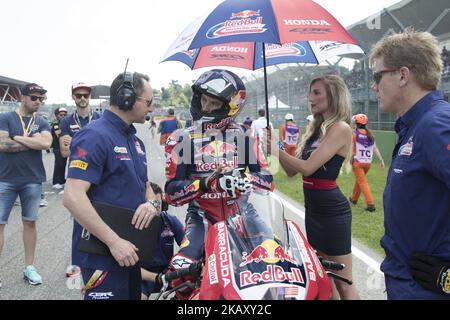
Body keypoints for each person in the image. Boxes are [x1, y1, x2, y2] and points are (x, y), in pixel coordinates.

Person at [164, 69, 274, 299]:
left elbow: (268, 180)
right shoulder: (182, 138)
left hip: (243, 215)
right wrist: (205, 184)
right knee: (181, 273)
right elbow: (171, 194)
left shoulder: (244, 137)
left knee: (277, 261)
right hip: (201, 217)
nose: (205, 108)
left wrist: (245, 180)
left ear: (230, 107)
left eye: (213, 103)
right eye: (203, 100)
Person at [63, 72, 159, 300]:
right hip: (103, 255)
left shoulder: (135, 141)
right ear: (127, 99)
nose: (152, 108)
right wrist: (114, 242)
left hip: (130, 252)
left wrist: (152, 204)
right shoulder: (94, 136)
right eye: (149, 102)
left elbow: (146, 186)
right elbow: (72, 197)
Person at [369, 30, 450, 299]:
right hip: (407, 282)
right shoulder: (414, 125)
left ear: (403, 75)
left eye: (377, 76)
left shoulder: (435, 125)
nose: (373, 86)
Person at [272, 75, 360, 300]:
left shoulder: (340, 128)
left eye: (317, 92)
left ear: (334, 95)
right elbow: (293, 170)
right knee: (323, 277)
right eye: (310, 93)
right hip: (314, 210)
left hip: (332, 212)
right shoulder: (314, 129)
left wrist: (276, 149)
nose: (310, 98)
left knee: (344, 282)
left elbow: (308, 168)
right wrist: (277, 145)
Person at [0, 83, 52, 287]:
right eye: (34, 98)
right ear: (23, 97)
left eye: (41, 99)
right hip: (5, 179)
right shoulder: (5, 118)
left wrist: (16, 138)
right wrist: (31, 141)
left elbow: (46, 144)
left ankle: (29, 267)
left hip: (32, 179)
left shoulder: (42, 121)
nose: (38, 101)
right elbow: (2, 145)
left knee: (30, 223)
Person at [140, 182, 184, 300]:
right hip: (143, 276)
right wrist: (158, 277)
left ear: (163, 205)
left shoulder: (170, 221)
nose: (153, 209)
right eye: (151, 204)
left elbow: (188, 245)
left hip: (168, 272)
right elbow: (128, 269)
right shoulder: (132, 224)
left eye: (157, 205)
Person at [348, 114, 385, 212]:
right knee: (360, 180)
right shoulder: (370, 135)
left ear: (356, 123)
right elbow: (375, 148)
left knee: (362, 182)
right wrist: (381, 160)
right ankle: (354, 199)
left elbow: (351, 148)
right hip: (368, 164)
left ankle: (370, 204)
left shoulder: (354, 134)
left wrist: (348, 159)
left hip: (358, 162)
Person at [59, 82, 101, 158]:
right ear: (73, 97)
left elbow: (105, 147)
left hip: (97, 167)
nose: (82, 98)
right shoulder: (65, 121)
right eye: (78, 96)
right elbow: (65, 152)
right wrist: (93, 142)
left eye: (86, 95)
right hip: (76, 167)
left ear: (90, 96)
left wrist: (74, 141)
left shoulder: (100, 118)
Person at [50, 107, 68, 189]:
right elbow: (58, 134)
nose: (63, 116)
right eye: (61, 115)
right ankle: (55, 181)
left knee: (63, 164)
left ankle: (61, 180)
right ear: (57, 115)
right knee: (58, 164)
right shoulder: (55, 123)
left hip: (64, 147)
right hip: (57, 147)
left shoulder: (65, 123)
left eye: (64, 115)